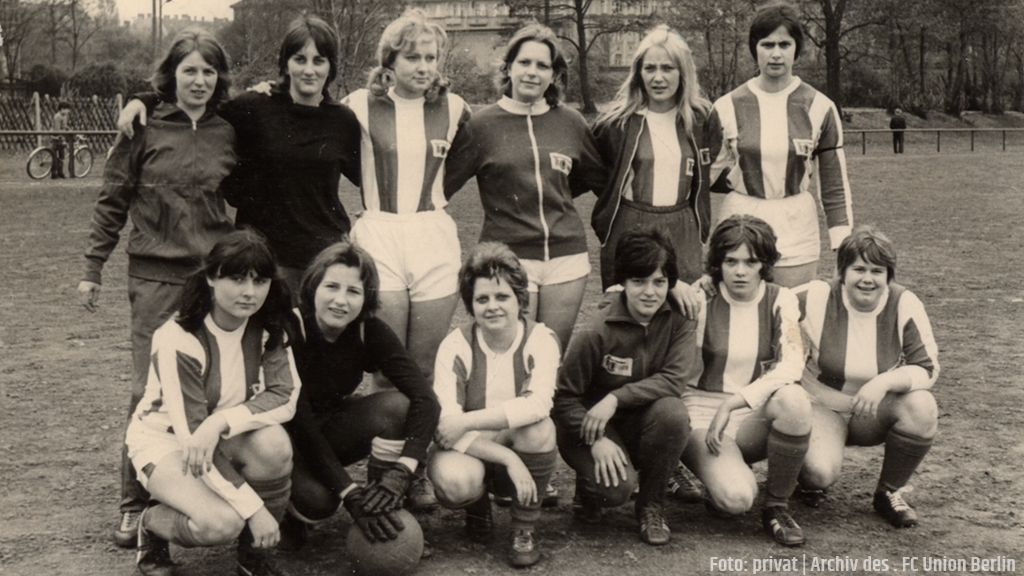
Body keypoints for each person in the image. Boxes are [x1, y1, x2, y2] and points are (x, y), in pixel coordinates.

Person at [78, 29, 238, 549]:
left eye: (208, 71)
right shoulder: (142, 126)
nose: (199, 80)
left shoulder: (230, 129)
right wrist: (92, 267)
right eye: (189, 70)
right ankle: (133, 505)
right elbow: (112, 199)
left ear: (219, 79)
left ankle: (198, 490)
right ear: (171, 75)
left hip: (212, 281)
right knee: (147, 390)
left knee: (209, 389)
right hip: (154, 277)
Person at [116, 15, 361, 295]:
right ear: (285, 63)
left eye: (319, 60)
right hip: (263, 263)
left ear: (331, 67)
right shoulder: (254, 107)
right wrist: (144, 99)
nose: (309, 70)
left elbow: (372, 176)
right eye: (299, 59)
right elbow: (196, 102)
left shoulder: (343, 120)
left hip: (323, 263)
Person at [125, 229, 300, 576]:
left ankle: (252, 559)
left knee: (275, 443)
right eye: (236, 279)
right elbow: (192, 438)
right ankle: (152, 522)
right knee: (221, 523)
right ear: (210, 277)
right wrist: (256, 511)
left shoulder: (269, 326)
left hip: (217, 432)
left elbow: (286, 395)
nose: (249, 293)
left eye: (259, 281)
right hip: (167, 443)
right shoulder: (179, 337)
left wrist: (219, 422)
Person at [445, 23, 609, 351]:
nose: (532, 72)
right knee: (512, 354)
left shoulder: (572, 122)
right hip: (509, 256)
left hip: (567, 256)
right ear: (508, 68)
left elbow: (599, 180)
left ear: (554, 74)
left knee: (550, 355)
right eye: (525, 63)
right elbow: (441, 185)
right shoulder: (481, 125)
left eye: (542, 65)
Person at [342, 9, 470, 386]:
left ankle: (418, 441)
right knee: (386, 365)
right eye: (412, 57)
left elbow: (480, 152)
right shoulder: (358, 104)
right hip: (380, 233)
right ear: (389, 61)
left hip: (433, 235)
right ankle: (384, 443)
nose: (423, 67)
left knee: (425, 366)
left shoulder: (456, 107)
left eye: (431, 58)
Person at [284, 242, 440, 549]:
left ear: (365, 297)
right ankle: (283, 511)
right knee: (319, 502)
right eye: (332, 286)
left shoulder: (369, 330)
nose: (340, 301)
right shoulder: (292, 327)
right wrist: (347, 492)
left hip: (328, 429)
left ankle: (382, 500)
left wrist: (402, 471)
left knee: (398, 405)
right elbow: (300, 422)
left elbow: (426, 399)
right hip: (286, 441)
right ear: (313, 285)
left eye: (353, 291)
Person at [553, 229, 697, 546]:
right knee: (616, 491)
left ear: (671, 284)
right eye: (639, 281)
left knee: (673, 414)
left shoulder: (680, 319)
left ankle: (651, 506)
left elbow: (674, 379)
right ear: (623, 282)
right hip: (590, 428)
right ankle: (588, 486)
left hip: (639, 422)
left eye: (659, 282)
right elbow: (563, 399)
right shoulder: (597, 329)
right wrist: (597, 440)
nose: (650, 292)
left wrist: (616, 398)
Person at [680, 214, 811, 546]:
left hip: (747, 409)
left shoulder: (781, 298)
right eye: (730, 261)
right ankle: (710, 475)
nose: (740, 271)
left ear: (764, 263)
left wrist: (734, 403)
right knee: (736, 500)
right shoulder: (701, 298)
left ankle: (778, 507)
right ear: (717, 263)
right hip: (701, 415)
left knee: (794, 400)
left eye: (750, 262)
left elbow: (791, 365)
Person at [795, 226, 939, 528]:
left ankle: (889, 492)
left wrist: (883, 382)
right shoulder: (816, 296)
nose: (868, 279)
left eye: (877, 270)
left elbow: (927, 367)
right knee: (819, 473)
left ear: (889, 275)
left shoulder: (904, 302)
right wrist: (710, 285)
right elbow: (763, 301)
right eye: (858, 268)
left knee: (922, 407)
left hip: (872, 411)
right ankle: (805, 477)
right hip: (821, 406)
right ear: (841, 271)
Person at [428, 242, 560, 568]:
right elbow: (446, 426)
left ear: (520, 299)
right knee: (454, 482)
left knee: (540, 429)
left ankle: (524, 529)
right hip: (475, 450)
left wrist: (468, 421)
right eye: (482, 299)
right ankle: (476, 505)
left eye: (502, 297)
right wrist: (508, 458)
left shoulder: (541, 339)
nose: (493, 307)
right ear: (470, 305)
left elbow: (538, 404)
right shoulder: (455, 345)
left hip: (508, 437)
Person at [708, 2, 853, 288]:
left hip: (796, 224)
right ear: (755, 48)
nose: (775, 54)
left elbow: (835, 184)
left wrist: (843, 247)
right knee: (740, 319)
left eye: (784, 44)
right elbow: (704, 178)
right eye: (767, 44)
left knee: (791, 320)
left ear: (796, 49)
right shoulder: (725, 107)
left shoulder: (820, 107)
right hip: (740, 222)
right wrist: (737, 178)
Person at [592, 25, 716, 316]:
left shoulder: (701, 119)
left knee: (682, 319)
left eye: (668, 68)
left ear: (683, 72)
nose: (658, 77)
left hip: (681, 227)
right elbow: (597, 174)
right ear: (638, 73)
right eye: (650, 68)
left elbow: (710, 173)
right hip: (630, 225)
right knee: (629, 321)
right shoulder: (615, 123)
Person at [51, 101, 72, 179]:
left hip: (61, 137)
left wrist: (70, 130)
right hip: (56, 138)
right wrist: (62, 137)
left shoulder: (65, 116)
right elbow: (57, 130)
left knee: (61, 156)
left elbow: (65, 126)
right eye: (67, 109)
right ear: (62, 109)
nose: (68, 111)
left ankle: (60, 172)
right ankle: (54, 173)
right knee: (54, 156)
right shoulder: (57, 117)